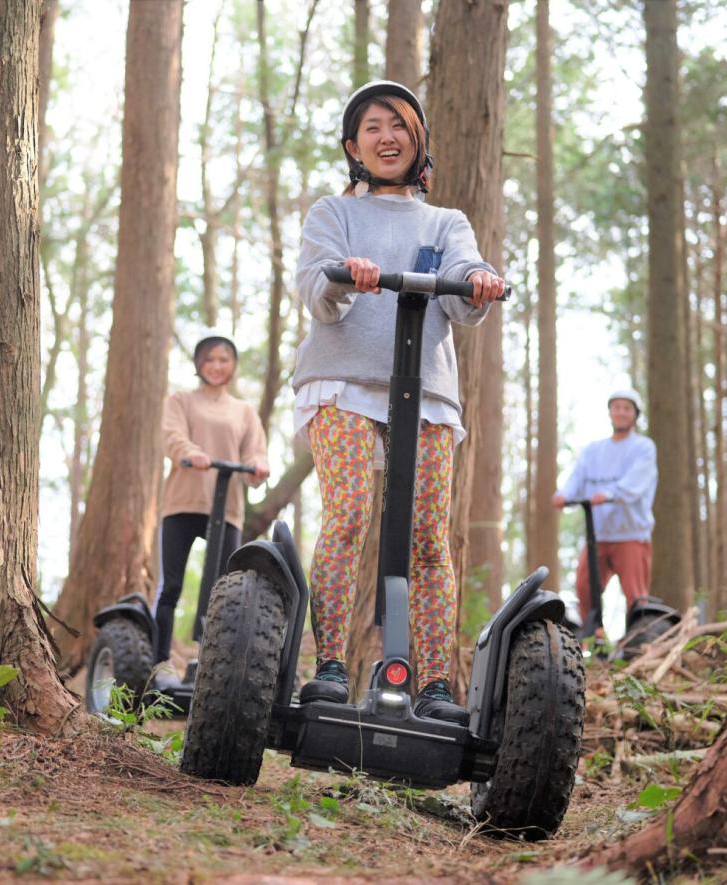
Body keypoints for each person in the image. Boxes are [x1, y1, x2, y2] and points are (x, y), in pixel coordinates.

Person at [292, 80, 505, 726]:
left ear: (418, 143)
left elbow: (463, 284)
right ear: (353, 147)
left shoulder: (446, 222)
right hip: (343, 381)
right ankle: (331, 666)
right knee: (350, 513)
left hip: (426, 390)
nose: (387, 138)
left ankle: (434, 681)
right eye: (373, 128)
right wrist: (346, 277)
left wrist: (477, 281)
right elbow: (317, 290)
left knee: (429, 538)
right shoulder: (333, 213)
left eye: (399, 127)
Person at [156, 333, 270, 677]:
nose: (216, 366)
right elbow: (171, 436)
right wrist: (191, 453)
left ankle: (212, 666)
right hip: (183, 503)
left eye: (223, 359)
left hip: (227, 509)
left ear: (233, 365)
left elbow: (255, 451)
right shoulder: (181, 400)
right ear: (198, 364)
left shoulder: (244, 411)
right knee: (171, 585)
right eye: (209, 359)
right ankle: (159, 663)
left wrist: (258, 465)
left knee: (226, 589)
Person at [551, 389, 658, 628]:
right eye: (616, 407)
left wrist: (610, 494)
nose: (621, 412)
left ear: (635, 414)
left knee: (636, 596)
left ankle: (637, 639)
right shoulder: (593, 450)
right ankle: (593, 637)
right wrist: (564, 495)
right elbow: (577, 478)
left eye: (626, 408)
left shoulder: (643, 448)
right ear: (610, 412)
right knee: (585, 587)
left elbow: (635, 482)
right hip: (597, 535)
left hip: (630, 534)